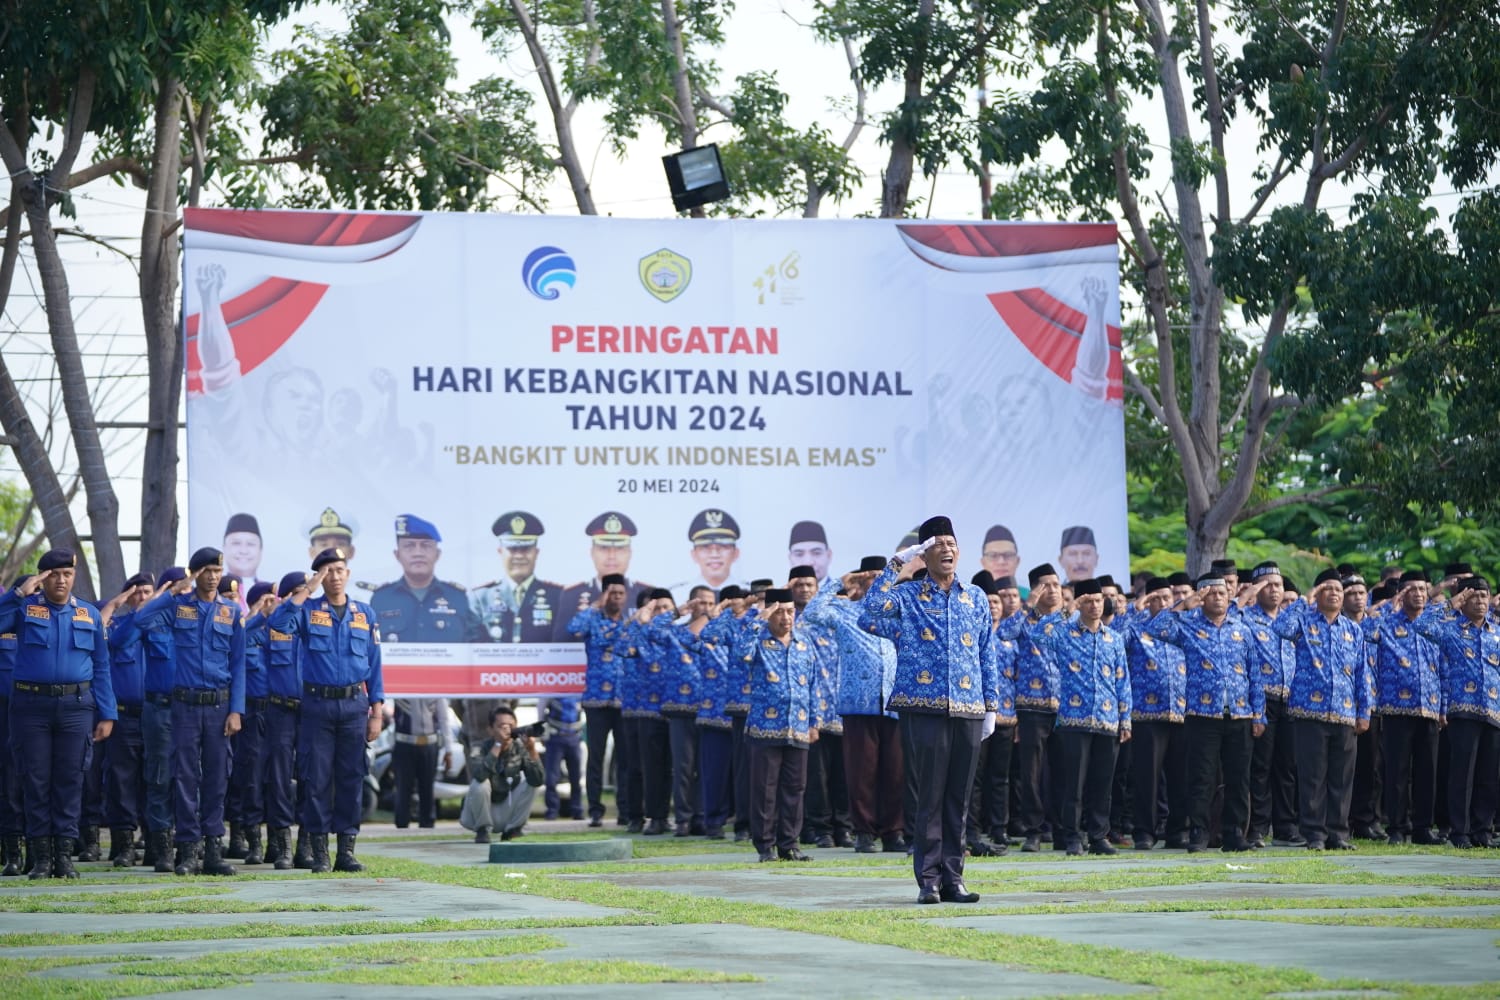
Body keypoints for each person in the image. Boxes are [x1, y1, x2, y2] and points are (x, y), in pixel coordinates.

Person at [860, 516, 998, 904]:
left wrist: (991, 705)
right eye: (938, 544)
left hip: (969, 707)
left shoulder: (975, 598)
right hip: (924, 707)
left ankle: (954, 878)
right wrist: (895, 565)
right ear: (924, 554)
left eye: (952, 543)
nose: (948, 549)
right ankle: (929, 880)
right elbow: (867, 614)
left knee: (959, 797)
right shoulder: (907, 597)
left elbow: (986, 651)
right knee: (930, 797)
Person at [0, 550, 117, 878]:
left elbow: (102, 666)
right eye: (53, 574)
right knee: (35, 779)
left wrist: (107, 713)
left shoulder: (88, 614)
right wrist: (17, 594)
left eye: (66, 574)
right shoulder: (24, 609)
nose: (61, 580)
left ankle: (64, 856)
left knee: (70, 779)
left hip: (76, 707)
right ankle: (41, 857)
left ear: (74, 576)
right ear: (41, 578)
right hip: (30, 707)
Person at [130, 548, 245, 876]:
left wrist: (236, 710)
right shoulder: (178, 607)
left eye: (217, 570)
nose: (212, 576)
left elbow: (238, 665)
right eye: (206, 570)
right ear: (194, 573)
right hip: (184, 705)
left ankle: (212, 852)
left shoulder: (231, 612)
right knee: (184, 777)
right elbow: (141, 619)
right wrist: (173, 593)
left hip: (219, 706)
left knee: (216, 777)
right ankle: (188, 852)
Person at [269, 547, 384, 873]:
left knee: (351, 778)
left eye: (339, 570)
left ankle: (346, 850)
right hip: (317, 706)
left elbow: (374, 666)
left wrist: (376, 711)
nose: (334, 577)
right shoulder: (308, 609)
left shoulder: (364, 613)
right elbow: (279, 623)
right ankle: (319, 852)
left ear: (348, 573)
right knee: (316, 779)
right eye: (327, 571)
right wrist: (308, 588)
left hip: (353, 706)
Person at [1146, 574, 1266, 852]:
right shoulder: (1187, 626)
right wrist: (1184, 603)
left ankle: (1235, 833)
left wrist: (1259, 714)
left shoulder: (1241, 628)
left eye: (1222, 593)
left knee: (1238, 778)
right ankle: (1198, 833)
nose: (1218, 597)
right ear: (1201, 598)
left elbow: (1254, 674)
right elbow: (1155, 628)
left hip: (1239, 714)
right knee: (1201, 776)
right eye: (1210, 593)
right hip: (1202, 715)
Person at [804, 556, 904, 854]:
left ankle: (893, 832)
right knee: (862, 773)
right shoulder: (844, 611)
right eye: (870, 577)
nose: (877, 583)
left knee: (895, 772)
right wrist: (840, 582)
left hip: (894, 702)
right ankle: (863, 831)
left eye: (882, 578)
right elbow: (812, 613)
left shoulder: (896, 613)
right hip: (857, 703)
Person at [1273, 569, 1374, 851]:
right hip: (1310, 712)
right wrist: (1304, 599)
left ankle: (1337, 834)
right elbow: (1279, 627)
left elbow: (1361, 671)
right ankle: (1314, 834)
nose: (1334, 594)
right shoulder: (1303, 621)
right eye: (1327, 589)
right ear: (1318, 593)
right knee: (1313, 777)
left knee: (1341, 778)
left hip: (1344, 712)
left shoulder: (1353, 629)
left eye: (1338, 590)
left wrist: (1363, 711)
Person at [1032, 578, 1131, 855]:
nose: (1094, 606)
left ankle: (1099, 836)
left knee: (1103, 783)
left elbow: (1123, 680)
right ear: (1079, 604)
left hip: (1108, 719)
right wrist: (1066, 610)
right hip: (1074, 720)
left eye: (1098, 600)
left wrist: (1126, 719)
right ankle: (1072, 836)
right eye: (1087, 601)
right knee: (1073, 784)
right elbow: (1037, 634)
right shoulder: (1064, 633)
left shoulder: (1114, 638)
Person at [1413, 574, 1500, 848]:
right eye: (1473, 595)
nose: (1480, 601)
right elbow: (1421, 625)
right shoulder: (1450, 628)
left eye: (1484, 595)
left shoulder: (1496, 632)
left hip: (1493, 711)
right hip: (1463, 711)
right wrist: (1450, 603)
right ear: (1463, 600)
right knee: (1462, 774)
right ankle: (1460, 832)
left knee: (1488, 775)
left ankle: (1482, 830)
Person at [1366, 570, 1444, 845]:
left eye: (1424, 589)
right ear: (1402, 593)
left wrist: (1442, 707)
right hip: (1397, 708)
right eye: (1413, 589)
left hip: (1429, 707)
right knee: (1397, 772)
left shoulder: (1432, 624)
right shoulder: (1387, 623)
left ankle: (1422, 828)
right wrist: (1390, 604)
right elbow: (1366, 630)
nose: (1419, 594)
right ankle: (1397, 828)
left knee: (1427, 772)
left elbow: (1442, 668)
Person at [743, 589, 821, 862]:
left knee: (795, 788)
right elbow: (740, 651)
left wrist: (814, 722)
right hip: (766, 727)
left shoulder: (803, 643)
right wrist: (757, 619)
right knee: (765, 789)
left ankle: (790, 844)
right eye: (779, 612)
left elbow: (814, 685)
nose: (786, 617)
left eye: (790, 611)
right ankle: (765, 846)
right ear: (768, 614)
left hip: (797, 726)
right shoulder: (758, 641)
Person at [1116, 577, 1189, 850]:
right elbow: (1117, 639)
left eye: (1165, 598)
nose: (1161, 603)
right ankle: (1144, 832)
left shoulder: (1183, 627)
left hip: (1180, 711)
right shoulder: (1136, 628)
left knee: (1180, 776)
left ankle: (1177, 831)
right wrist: (1135, 609)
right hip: (1146, 714)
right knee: (1146, 778)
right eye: (1154, 598)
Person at [1241, 561, 1301, 848]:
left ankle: (1286, 826)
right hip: (1261, 699)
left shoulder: (1291, 619)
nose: (1275, 590)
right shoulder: (1246, 618)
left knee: (1287, 766)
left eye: (1278, 584)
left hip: (1290, 698)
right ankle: (1257, 827)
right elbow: (1226, 614)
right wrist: (1247, 593)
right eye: (1268, 585)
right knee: (1260, 767)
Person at [566, 573, 633, 828]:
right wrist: (597, 604)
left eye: (619, 593)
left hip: (623, 700)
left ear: (626, 596)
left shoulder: (631, 622)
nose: (615, 598)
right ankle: (595, 810)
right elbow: (572, 628)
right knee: (596, 757)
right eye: (611, 593)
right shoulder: (593, 620)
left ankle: (625, 810)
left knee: (625, 759)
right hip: (595, 700)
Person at [97, 573, 153, 867]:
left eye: (148, 592)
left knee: (157, 780)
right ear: (128, 597)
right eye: (137, 593)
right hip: (124, 717)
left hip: (157, 715)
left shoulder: (164, 628)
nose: (142, 598)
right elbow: (109, 643)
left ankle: (156, 843)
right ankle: (123, 846)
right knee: (122, 783)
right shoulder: (117, 628)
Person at [792, 565, 848, 848]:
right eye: (799, 585)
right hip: (812, 712)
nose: (804, 589)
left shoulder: (840, 621)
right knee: (816, 776)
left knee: (844, 774)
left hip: (844, 710)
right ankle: (820, 828)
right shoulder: (794, 621)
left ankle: (844, 827)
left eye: (809, 585)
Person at [370, 514, 485, 643]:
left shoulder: (458, 598)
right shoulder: (381, 599)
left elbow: (478, 649)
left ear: (438, 554)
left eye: (426, 546)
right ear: (397, 555)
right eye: (409, 546)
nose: (418, 553)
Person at [1014, 563, 1064, 852]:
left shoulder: (1070, 621)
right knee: (1031, 773)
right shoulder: (1023, 621)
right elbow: (1004, 634)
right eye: (1046, 585)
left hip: (1067, 708)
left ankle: (1062, 831)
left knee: (1064, 772)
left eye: (1057, 585)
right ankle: (1033, 830)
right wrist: (1027, 605)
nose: (1053, 590)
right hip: (1031, 707)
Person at [262, 571, 307, 869]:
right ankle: (282, 845)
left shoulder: (315, 623)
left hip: (311, 711)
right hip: (279, 710)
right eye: (301, 592)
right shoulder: (274, 623)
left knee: (310, 778)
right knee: (278, 779)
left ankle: (306, 844)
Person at [555, 511, 652, 641]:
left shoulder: (646, 594)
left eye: (620, 548)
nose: (612, 556)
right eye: (603, 548)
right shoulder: (571, 595)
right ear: (592, 552)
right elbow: (561, 641)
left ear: (630, 553)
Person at [470, 511, 564, 643]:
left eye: (526, 549)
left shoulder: (559, 597)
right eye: (512, 549)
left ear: (536, 553)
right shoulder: (480, 598)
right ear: (500, 552)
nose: (519, 556)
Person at [460, 705, 544, 841]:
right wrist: (498, 745)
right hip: (478, 813)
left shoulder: (520, 748)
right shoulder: (479, 747)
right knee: (479, 784)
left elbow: (538, 781)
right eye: (501, 726)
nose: (507, 730)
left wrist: (532, 750)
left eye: (510, 726)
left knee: (530, 783)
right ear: (490, 730)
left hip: (505, 808)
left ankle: (513, 830)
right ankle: (482, 830)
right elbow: (479, 776)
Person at [392, 697, 451, 829]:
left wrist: (449, 750)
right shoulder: (402, 686)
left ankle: (427, 823)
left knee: (427, 787)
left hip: (429, 744)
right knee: (403, 787)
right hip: (405, 743)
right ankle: (401, 824)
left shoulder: (434, 690)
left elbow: (443, 720)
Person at [539, 696, 585, 820]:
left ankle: (577, 810)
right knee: (552, 778)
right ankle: (552, 811)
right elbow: (541, 709)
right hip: (555, 737)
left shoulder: (577, 690)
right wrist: (542, 733)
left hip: (574, 737)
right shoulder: (552, 689)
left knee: (576, 778)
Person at [683, 508, 741, 593]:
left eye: (723, 547)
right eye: (705, 547)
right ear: (694, 555)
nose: (714, 555)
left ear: (736, 553)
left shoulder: (754, 596)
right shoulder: (677, 596)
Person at [223, 513, 266, 611]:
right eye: (236, 543)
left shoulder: (272, 593)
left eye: (250, 544)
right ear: (224, 548)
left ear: (261, 550)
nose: (243, 551)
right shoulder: (214, 589)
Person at [979, 525, 1023, 596]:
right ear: (983, 562)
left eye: (1008, 555)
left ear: (1017, 561)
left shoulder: (1030, 597)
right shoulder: (973, 596)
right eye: (993, 555)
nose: (1001, 562)